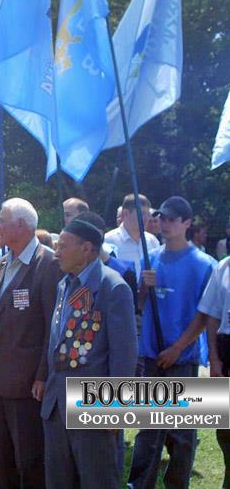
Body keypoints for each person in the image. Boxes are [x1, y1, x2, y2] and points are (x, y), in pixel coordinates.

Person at [41, 215, 138, 489]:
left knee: (97, 479)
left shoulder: (113, 287)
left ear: (87, 249)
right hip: (57, 404)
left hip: (94, 403)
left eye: (63, 246)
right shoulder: (64, 284)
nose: (56, 252)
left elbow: (124, 353)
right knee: (59, 480)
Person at [128, 197, 217, 489]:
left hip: (183, 358)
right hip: (152, 356)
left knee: (181, 433)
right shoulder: (150, 258)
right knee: (148, 428)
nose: (164, 224)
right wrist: (143, 288)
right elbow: (139, 306)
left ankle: (177, 484)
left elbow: (206, 315)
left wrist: (178, 347)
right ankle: (140, 484)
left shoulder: (204, 265)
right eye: (162, 219)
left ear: (187, 223)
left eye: (171, 219)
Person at [0, 198, 61, 489]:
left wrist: (43, 375)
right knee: (0, 460)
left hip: (28, 385)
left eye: (2, 220)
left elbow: (52, 327)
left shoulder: (48, 264)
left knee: (30, 460)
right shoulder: (2, 261)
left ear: (21, 225)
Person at [195, 254, 230, 487]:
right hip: (226, 351)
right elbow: (212, 315)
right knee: (225, 428)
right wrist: (214, 359)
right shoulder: (224, 266)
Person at [104, 193, 160, 280]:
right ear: (125, 213)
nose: (147, 218)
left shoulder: (152, 241)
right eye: (142, 213)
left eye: (148, 214)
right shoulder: (108, 241)